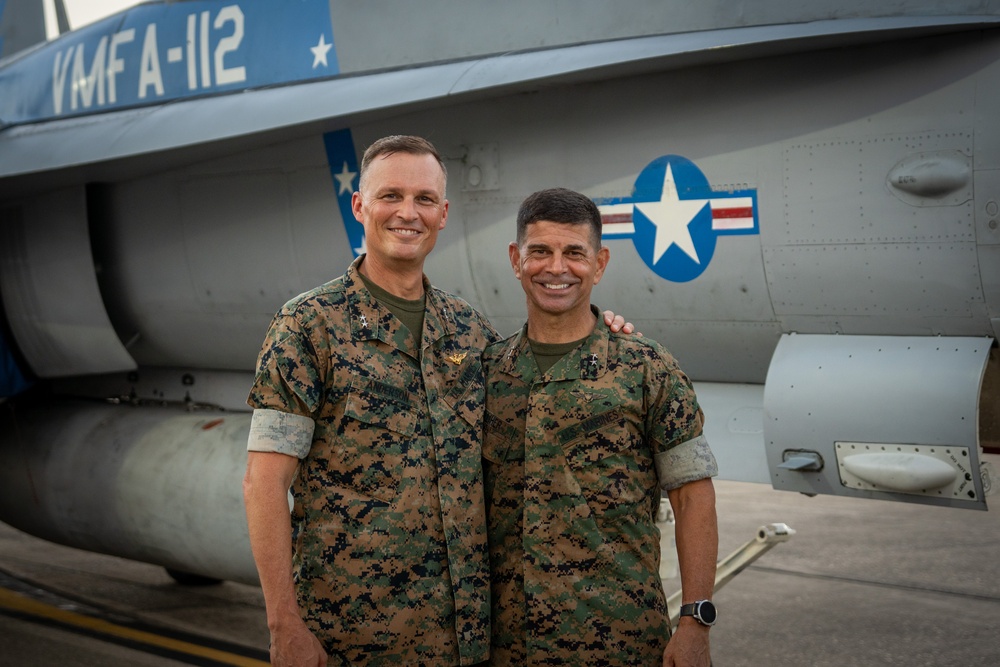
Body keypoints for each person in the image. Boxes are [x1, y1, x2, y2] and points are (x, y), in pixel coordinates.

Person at [242, 136, 631, 666]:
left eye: (424, 199)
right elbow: (264, 482)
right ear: (359, 206)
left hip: (466, 642)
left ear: (443, 214)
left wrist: (602, 329)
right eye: (390, 196)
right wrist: (283, 622)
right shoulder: (309, 326)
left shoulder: (469, 330)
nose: (408, 212)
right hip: (356, 640)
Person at [482, 187, 719, 666]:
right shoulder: (487, 373)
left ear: (600, 262)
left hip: (619, 642)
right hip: (507, 647)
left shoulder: (646, 369)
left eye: (574, 253)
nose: (556, 268)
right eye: (540, 252)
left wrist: (694, 620)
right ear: (515, 259)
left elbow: (693, 496)